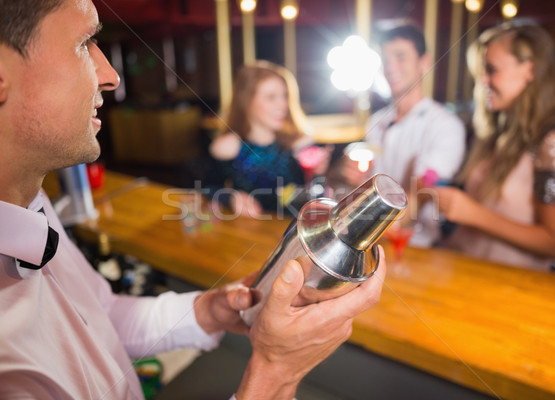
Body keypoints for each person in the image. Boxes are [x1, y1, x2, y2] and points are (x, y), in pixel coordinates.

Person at [0, 1, 386, 399]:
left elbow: (102, 314)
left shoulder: (34, 203)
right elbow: (199, 186)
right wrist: (276, 375)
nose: (113, 76)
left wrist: (209, 310)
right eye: (84, 43)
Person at [435, 20, 555, 271]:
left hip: (508, 292)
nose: (483, 81)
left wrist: (474, 214)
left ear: (529, 70)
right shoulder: (495, 133)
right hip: (461, 274)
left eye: (491, 69)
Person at [333, 22, 466, 247]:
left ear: (424, 62)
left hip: (419, 245)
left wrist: (373, 228)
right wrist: (348, 175)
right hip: (371, 242)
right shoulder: (377, 121)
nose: (391, 67)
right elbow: (364, 183)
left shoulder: (446, 125)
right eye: (386, 60)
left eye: (401, 57)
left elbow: (424, 190)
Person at [208, 61, 330, 217]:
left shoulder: (300, 142)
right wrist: (231, 197)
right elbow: (207, 188)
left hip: (295, 229)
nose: (283, 105)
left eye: (284, 96)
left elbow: (316, 196)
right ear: (247, 101)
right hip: (253, 231)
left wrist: (317, 174)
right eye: (271, 97)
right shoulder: (228, 147)